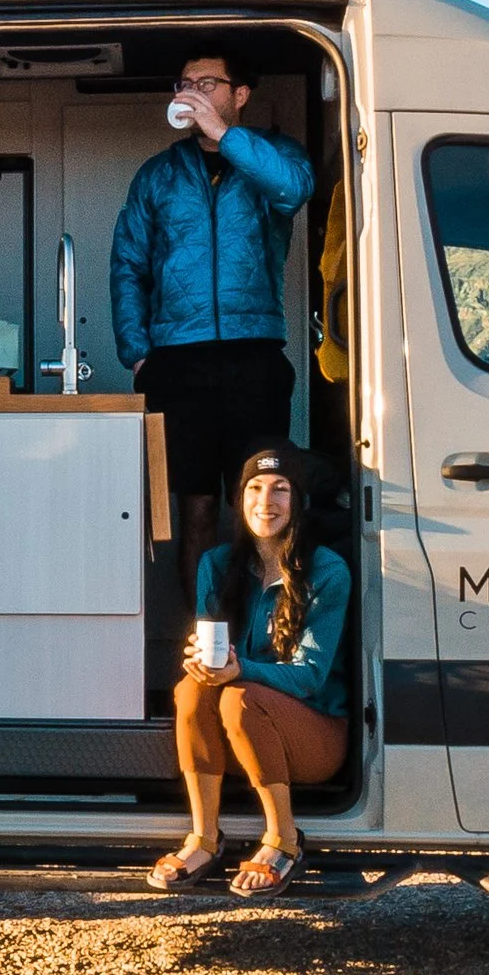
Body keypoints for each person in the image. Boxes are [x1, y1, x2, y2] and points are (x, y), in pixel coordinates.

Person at [109, 49, 314, 603]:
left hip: (255, 356)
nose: (192, 91)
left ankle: (254, 644)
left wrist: (224, 135)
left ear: (238, 94)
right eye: (184, 83)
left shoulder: (273, 157)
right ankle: (200, 646)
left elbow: (295, 190)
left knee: (259, 506)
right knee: (195, 510)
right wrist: (138, 353)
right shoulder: (157, 174)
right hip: (178, 361)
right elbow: (128, 262)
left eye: (207, 82)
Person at [150, 446, 351, 900]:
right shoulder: (216, 564)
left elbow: (310, 676)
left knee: (239, 697)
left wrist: (240, 672)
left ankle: (283, 838)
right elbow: (211, 652)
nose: (267, 500)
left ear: (298, 501)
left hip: (315, 735)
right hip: (241, 733)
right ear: (239, 500)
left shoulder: (327, 570)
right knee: (190, 690)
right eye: (255, 489)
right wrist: (202, 662)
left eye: (281, 489)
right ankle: (204, 838)